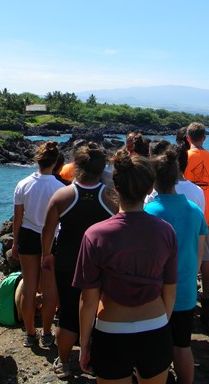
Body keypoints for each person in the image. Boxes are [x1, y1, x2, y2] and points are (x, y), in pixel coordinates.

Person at [74, 149, 178, 384]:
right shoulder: (165, 231)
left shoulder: (95, 235)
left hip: (112, 330)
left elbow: (88, 301)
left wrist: (84, 344)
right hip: (156, 327)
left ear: (115, 187)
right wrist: (160, 326)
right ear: (150, 187)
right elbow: (170, 292)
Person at [41, 143, 118, 378]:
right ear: (101, 168)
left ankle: (64, 362)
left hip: (68, 261)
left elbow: (48, 229)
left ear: (76, 166)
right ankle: (95, 357)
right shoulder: (110, 198)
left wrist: (46, 254)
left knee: (68, 315)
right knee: (97, 313)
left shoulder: (63, 195)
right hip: (99, 264)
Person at [145, 148, 207, 384]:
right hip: (185, 291)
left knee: (153, 348)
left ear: (153, 180)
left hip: (154, 294)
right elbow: (199, 256)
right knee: (182, 345)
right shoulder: (195, 211)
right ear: (178, 175)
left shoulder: (149, 212)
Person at [12, 141, 64, 348]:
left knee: (29, 287)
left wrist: (15, 243)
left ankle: (30, 333)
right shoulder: (61, 188)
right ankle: (47, 332)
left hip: (27, 235)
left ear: (38, 160)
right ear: (56, 163)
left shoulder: (23, 184)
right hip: (51, 239)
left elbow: (17, 218)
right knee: (50, 289)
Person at [184, 122, 209, 307]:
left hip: (187, 212)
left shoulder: (184, 157)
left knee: (185, 254)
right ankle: (206, 294)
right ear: (204, 138)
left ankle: (187, 292)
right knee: (206, 256)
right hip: (208, 214)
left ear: (187, 138)